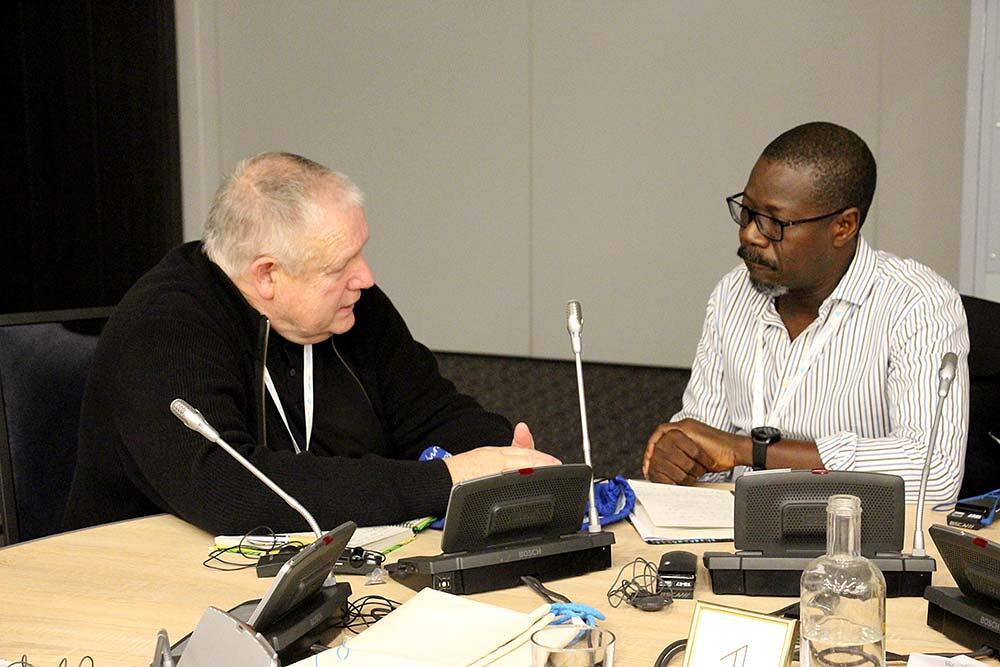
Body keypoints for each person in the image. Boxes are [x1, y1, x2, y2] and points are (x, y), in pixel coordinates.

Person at [64, 152, 559, 535]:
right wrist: (445, 481)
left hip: (319, 571)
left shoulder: (351, 306)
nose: (365, 277)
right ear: (267, 275)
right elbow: (232, 489)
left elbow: (430, 412)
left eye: (360, 253)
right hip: (145, 584)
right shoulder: (164, 328)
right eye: (339, 266)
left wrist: (501, 457)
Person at [642, 122, 969, 501]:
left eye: (775, 222)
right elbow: (706, 442)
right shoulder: (732, 292)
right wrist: (679, 455)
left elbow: (934, 473)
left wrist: (749, 451)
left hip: (850, 532)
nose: (750, 233)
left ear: (843, 226)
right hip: (734, 526)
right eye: (747, 212)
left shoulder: (917, 304)